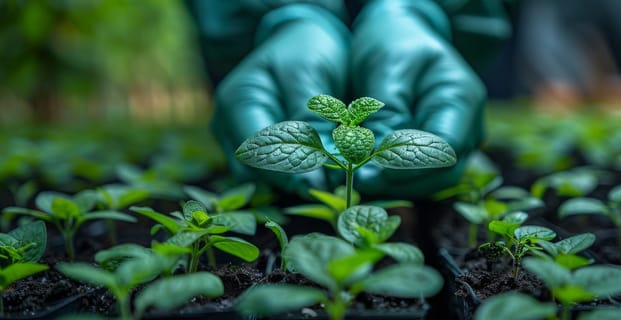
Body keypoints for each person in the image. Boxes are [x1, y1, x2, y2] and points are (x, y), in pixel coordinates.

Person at [185, 0, 511, 198]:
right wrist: (290, 13)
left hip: (439, 28)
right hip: (254, 32)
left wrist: (423, 8)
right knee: (272, 137)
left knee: (428, 133)